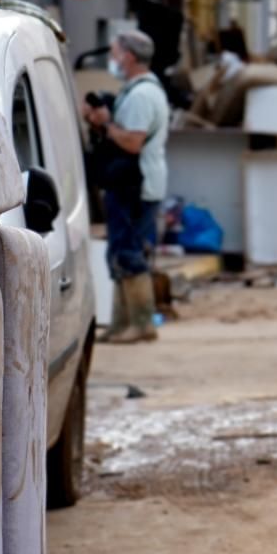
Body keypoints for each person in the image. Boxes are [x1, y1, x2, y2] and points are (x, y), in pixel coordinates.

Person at [84, 29, 171, 344]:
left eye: (116, 52)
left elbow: (132, 142)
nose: (113, 59)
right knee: (119, 251)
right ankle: (123, 323)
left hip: (137, 186)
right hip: (133, 184)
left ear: (130, 57)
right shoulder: (138, 91)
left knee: (129, 252)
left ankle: (141, 323)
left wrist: (106, 125)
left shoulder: (142, 95)